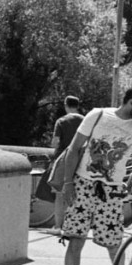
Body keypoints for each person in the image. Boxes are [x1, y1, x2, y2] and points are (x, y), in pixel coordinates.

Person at [55, 85, 132, 265]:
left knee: (113, 243)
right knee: (75, 241)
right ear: (131, 103)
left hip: (111, 191)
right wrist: (68, 183)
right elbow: (74, 148)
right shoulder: (97, 115)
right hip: (82, 185)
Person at [49, 96, 84, 229]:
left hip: (63, 161)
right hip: (81, 161)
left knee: (59, 194)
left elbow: (55, 142)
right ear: (77, 105)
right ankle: (75, 226)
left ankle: (58, 226)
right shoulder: (85, 120)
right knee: (78, 195)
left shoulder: (61, 121)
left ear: (66, 105)